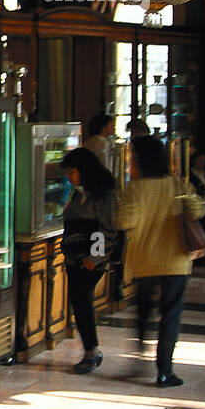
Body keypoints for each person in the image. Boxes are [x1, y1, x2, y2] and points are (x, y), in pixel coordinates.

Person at [116, 136, 205, 388]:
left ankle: (140, 350)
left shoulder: (135, 188)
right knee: (171, 314)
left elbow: (124, 222)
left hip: (144, 259)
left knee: (144, 308)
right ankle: (165, 371)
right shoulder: (179, 184)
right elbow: (199, 211)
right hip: (175, 260)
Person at [60, 147, 119, 374]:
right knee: (79, 301)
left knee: (82, 300)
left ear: (84, 171)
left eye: (72, 172)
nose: (69, 176)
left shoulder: (105, 195)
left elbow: (109, 229)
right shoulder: (76, 193)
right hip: (74, 258)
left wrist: (95, 258)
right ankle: (91, 349)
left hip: (91, 260)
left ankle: (91, 351)